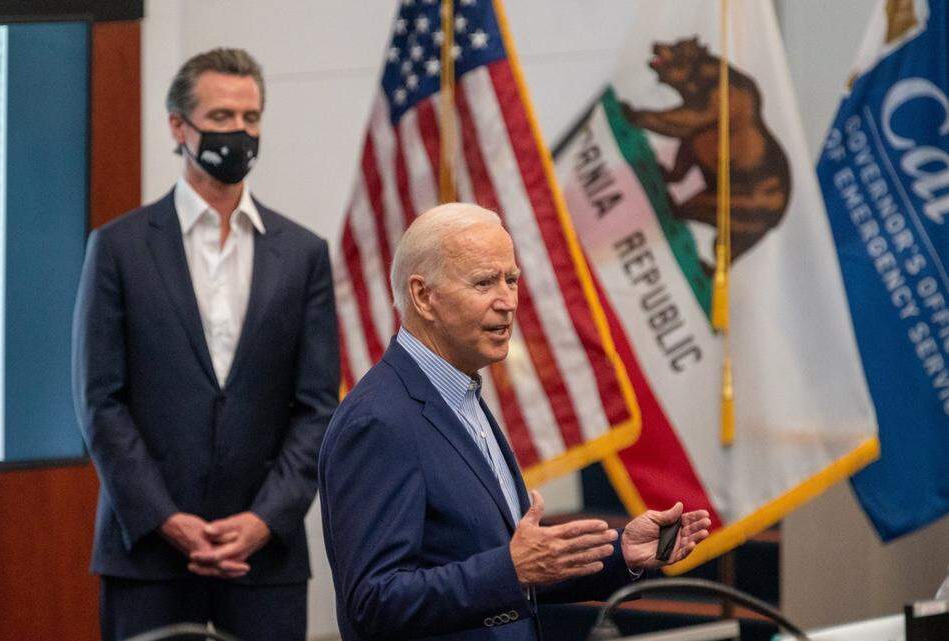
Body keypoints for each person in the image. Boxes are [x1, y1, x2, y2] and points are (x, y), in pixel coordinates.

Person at [318, 203, 711, 641]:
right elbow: (373, 604)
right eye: (484, 282)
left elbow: (508, 567)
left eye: (512, 280)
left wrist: (624, 555)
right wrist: (510, 569)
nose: (507, 302)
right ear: (423, 296)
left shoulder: (462, 396)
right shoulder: (378, 421)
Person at [72, 47, 339, 641]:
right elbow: (100, 403)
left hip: (264, 556)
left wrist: (265, 519)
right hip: (147, 553)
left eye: (251, 119)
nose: (239, 133)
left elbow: (319, 406)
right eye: (221, 119)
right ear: (179, 126)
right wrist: (167, 520)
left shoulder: (303, 254)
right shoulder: (118, 248)